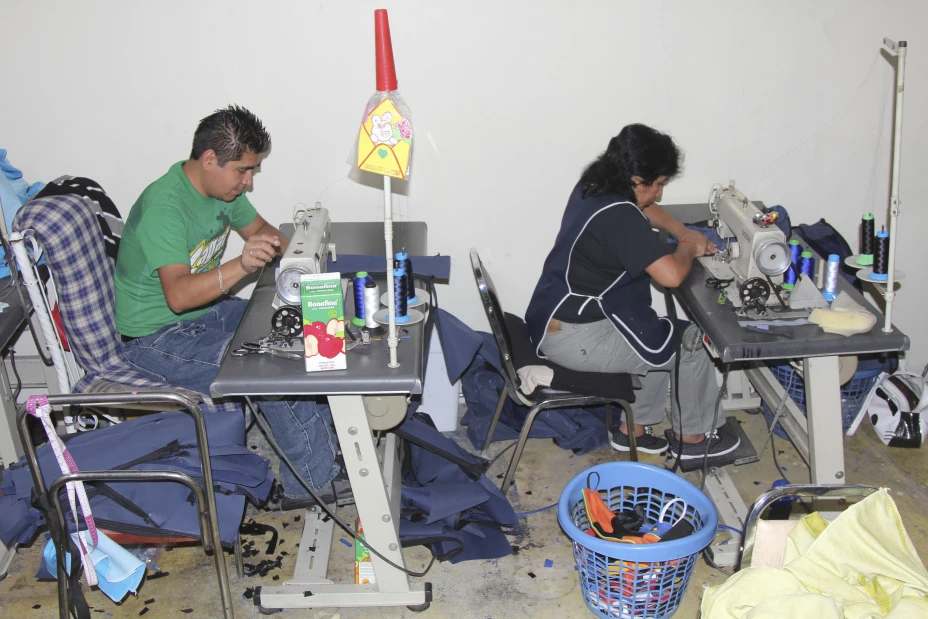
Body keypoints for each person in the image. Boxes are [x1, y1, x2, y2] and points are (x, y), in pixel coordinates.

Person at [114, 105, 348, 509]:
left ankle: (324, 447)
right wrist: (241, 264)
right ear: (209, 160)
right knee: (270, 365)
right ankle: (311, 483)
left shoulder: (222, 191)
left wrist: (295, 252)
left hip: (201, 313)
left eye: (252, 171)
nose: (249, 182)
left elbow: (261, 231)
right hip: (153, 337)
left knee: (293, 331)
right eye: (244, 170)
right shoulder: (164, 209)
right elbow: (179, 296)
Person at [524, 123, 740, 460]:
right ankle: (694, 440)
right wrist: (688, 244)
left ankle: (633, 431)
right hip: (578, 339)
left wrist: (681, 228)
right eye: (659, 185)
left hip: (555, 318)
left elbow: (643, 206)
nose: (660, 195)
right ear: (638, 180)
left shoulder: (595, 184)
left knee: (654, 329)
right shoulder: (618, 216)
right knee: (691, 344)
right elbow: (670, 276)